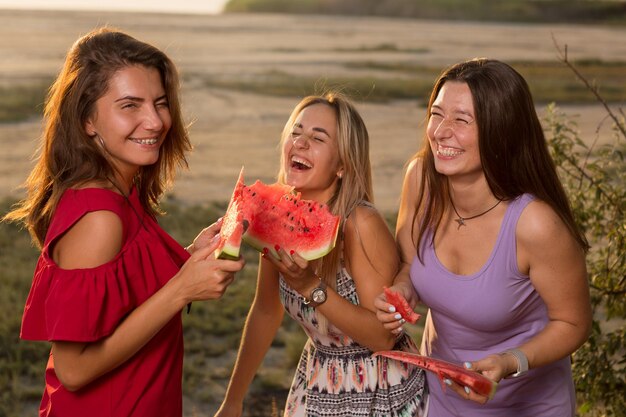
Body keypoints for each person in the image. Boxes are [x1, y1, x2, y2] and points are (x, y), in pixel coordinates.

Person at [2, 27, 245, 416]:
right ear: (87, 120)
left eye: (160, 103)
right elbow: (74, 369)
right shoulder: (99, 215)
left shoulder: (122, 192)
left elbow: (119, 294)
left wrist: (187, 258)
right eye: (130, 105)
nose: (154, 121)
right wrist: (181, 290)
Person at [374, 58, 592, 416]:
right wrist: (402, 292)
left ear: (500, 130)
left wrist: (510, 361)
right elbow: (410, 263)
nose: (441, 132)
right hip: (442, 399)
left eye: (462, 120)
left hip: (529, 404)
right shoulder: (420, 179)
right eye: (437, 114)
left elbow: (574, 323)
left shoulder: (535, 224)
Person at [214, 92, 427, 417]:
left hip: (382, 390)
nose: (299, 143)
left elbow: (383, 338)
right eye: (296, 132)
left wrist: (310, 287)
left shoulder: (361, 223)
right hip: (317, 384)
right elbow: (266, 312)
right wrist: (233, 400)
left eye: (317, 138)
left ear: (342, 164)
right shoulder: (277, 217)